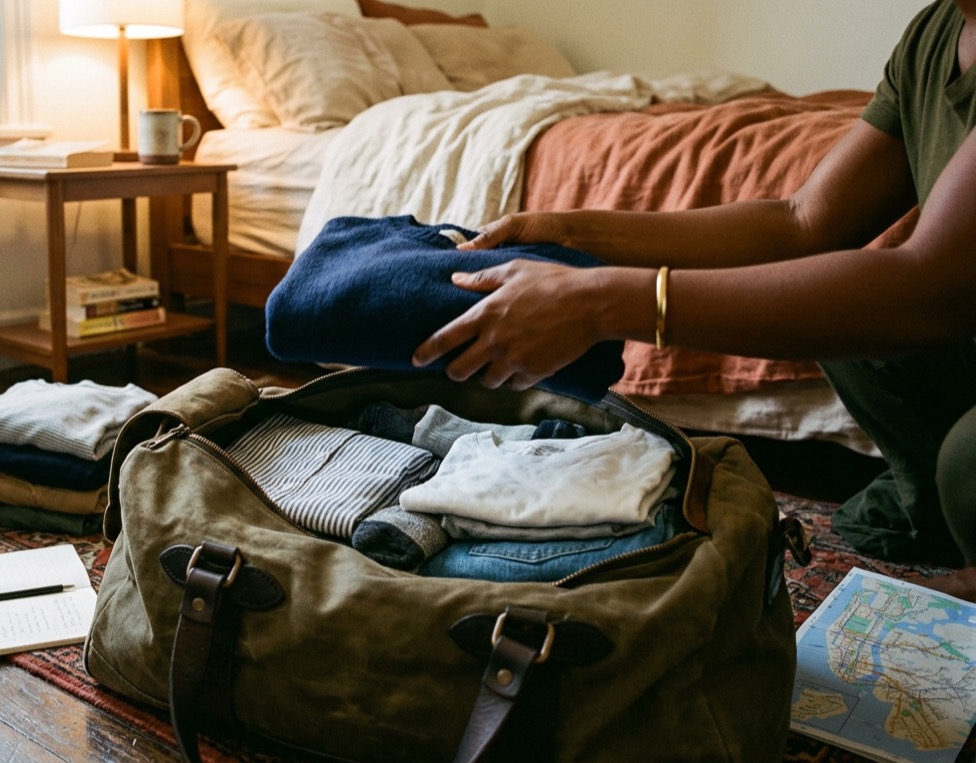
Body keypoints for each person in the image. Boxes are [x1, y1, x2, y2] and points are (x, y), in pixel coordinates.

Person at [411, 0, 976, 602]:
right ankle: (943, 505)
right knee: (844, 322)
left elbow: (929, 289)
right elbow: (802, 221)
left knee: (964, 458)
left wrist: (604, 302)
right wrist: (569, 230)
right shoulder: (937, 31)